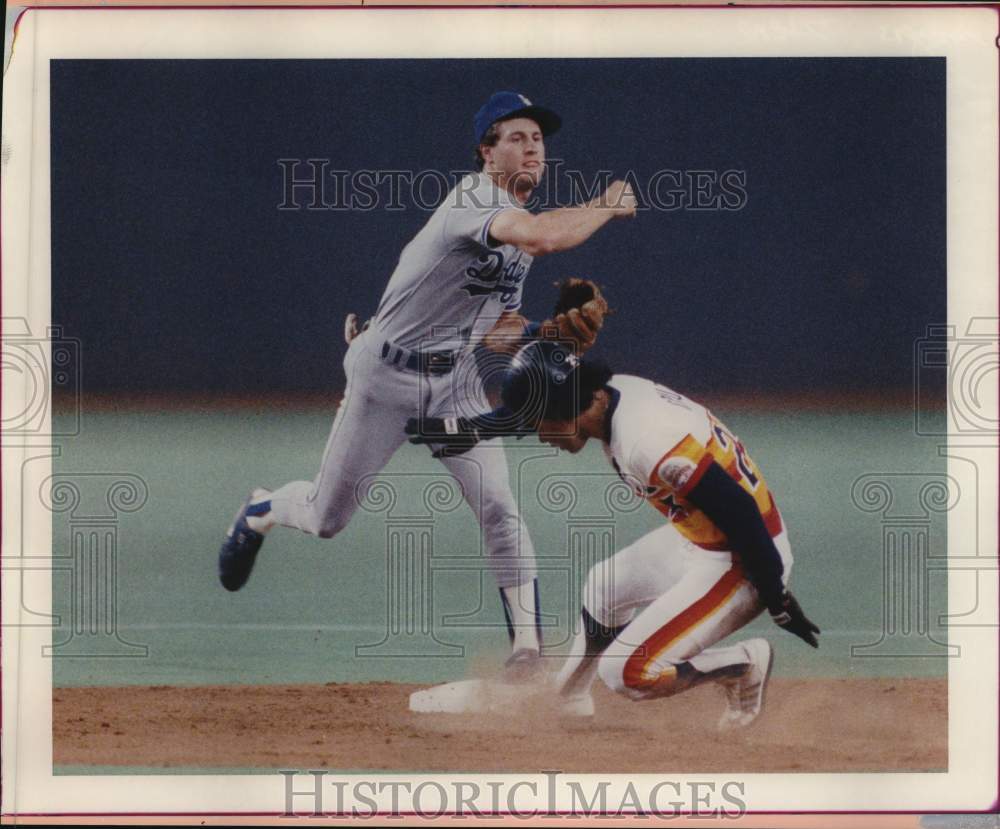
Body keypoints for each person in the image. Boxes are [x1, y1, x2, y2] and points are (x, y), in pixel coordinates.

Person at [217, 91, 636, 674]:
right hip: (385, 377)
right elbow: (544, 235)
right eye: (515, 136)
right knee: (325, 518)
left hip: (457, 380)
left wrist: (548, 332)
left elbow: (495, 331)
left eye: (538, 138)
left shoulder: (512, 238)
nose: (532, 146)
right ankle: (262, 506)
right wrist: (608, 206)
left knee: (498, 506)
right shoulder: (473, 200)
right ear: (486, 153)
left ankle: (527, 652)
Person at [407, 340, 820, 727]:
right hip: (700, 538)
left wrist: (776, 598)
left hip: (743, 559)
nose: (541, 436)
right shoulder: (605, 394)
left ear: (564, 408)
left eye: (539, 425)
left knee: (627, 673)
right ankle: (567, 698)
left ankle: (744, 664)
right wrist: (446, 429)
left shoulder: (647, 441)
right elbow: (518, 413)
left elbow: (740, 512)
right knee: (604, 586)